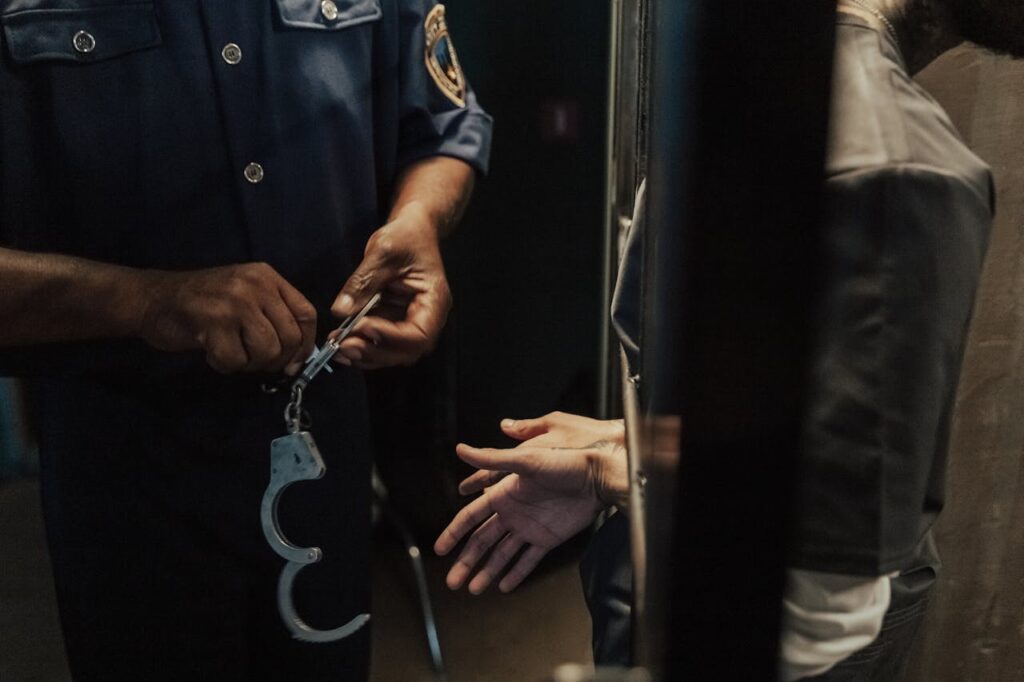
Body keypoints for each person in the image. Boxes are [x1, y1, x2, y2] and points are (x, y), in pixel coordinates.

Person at [436, 0, 1023, 678]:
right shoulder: (904, 170)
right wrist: (613, 468)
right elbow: (824, 597)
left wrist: (623, 454)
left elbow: (766, 410)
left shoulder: (753, 90)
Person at [0, 1, 490, 680]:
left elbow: (441, 125)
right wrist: (147, 300)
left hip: (326, 440)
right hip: (123, 466)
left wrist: (419, 219)